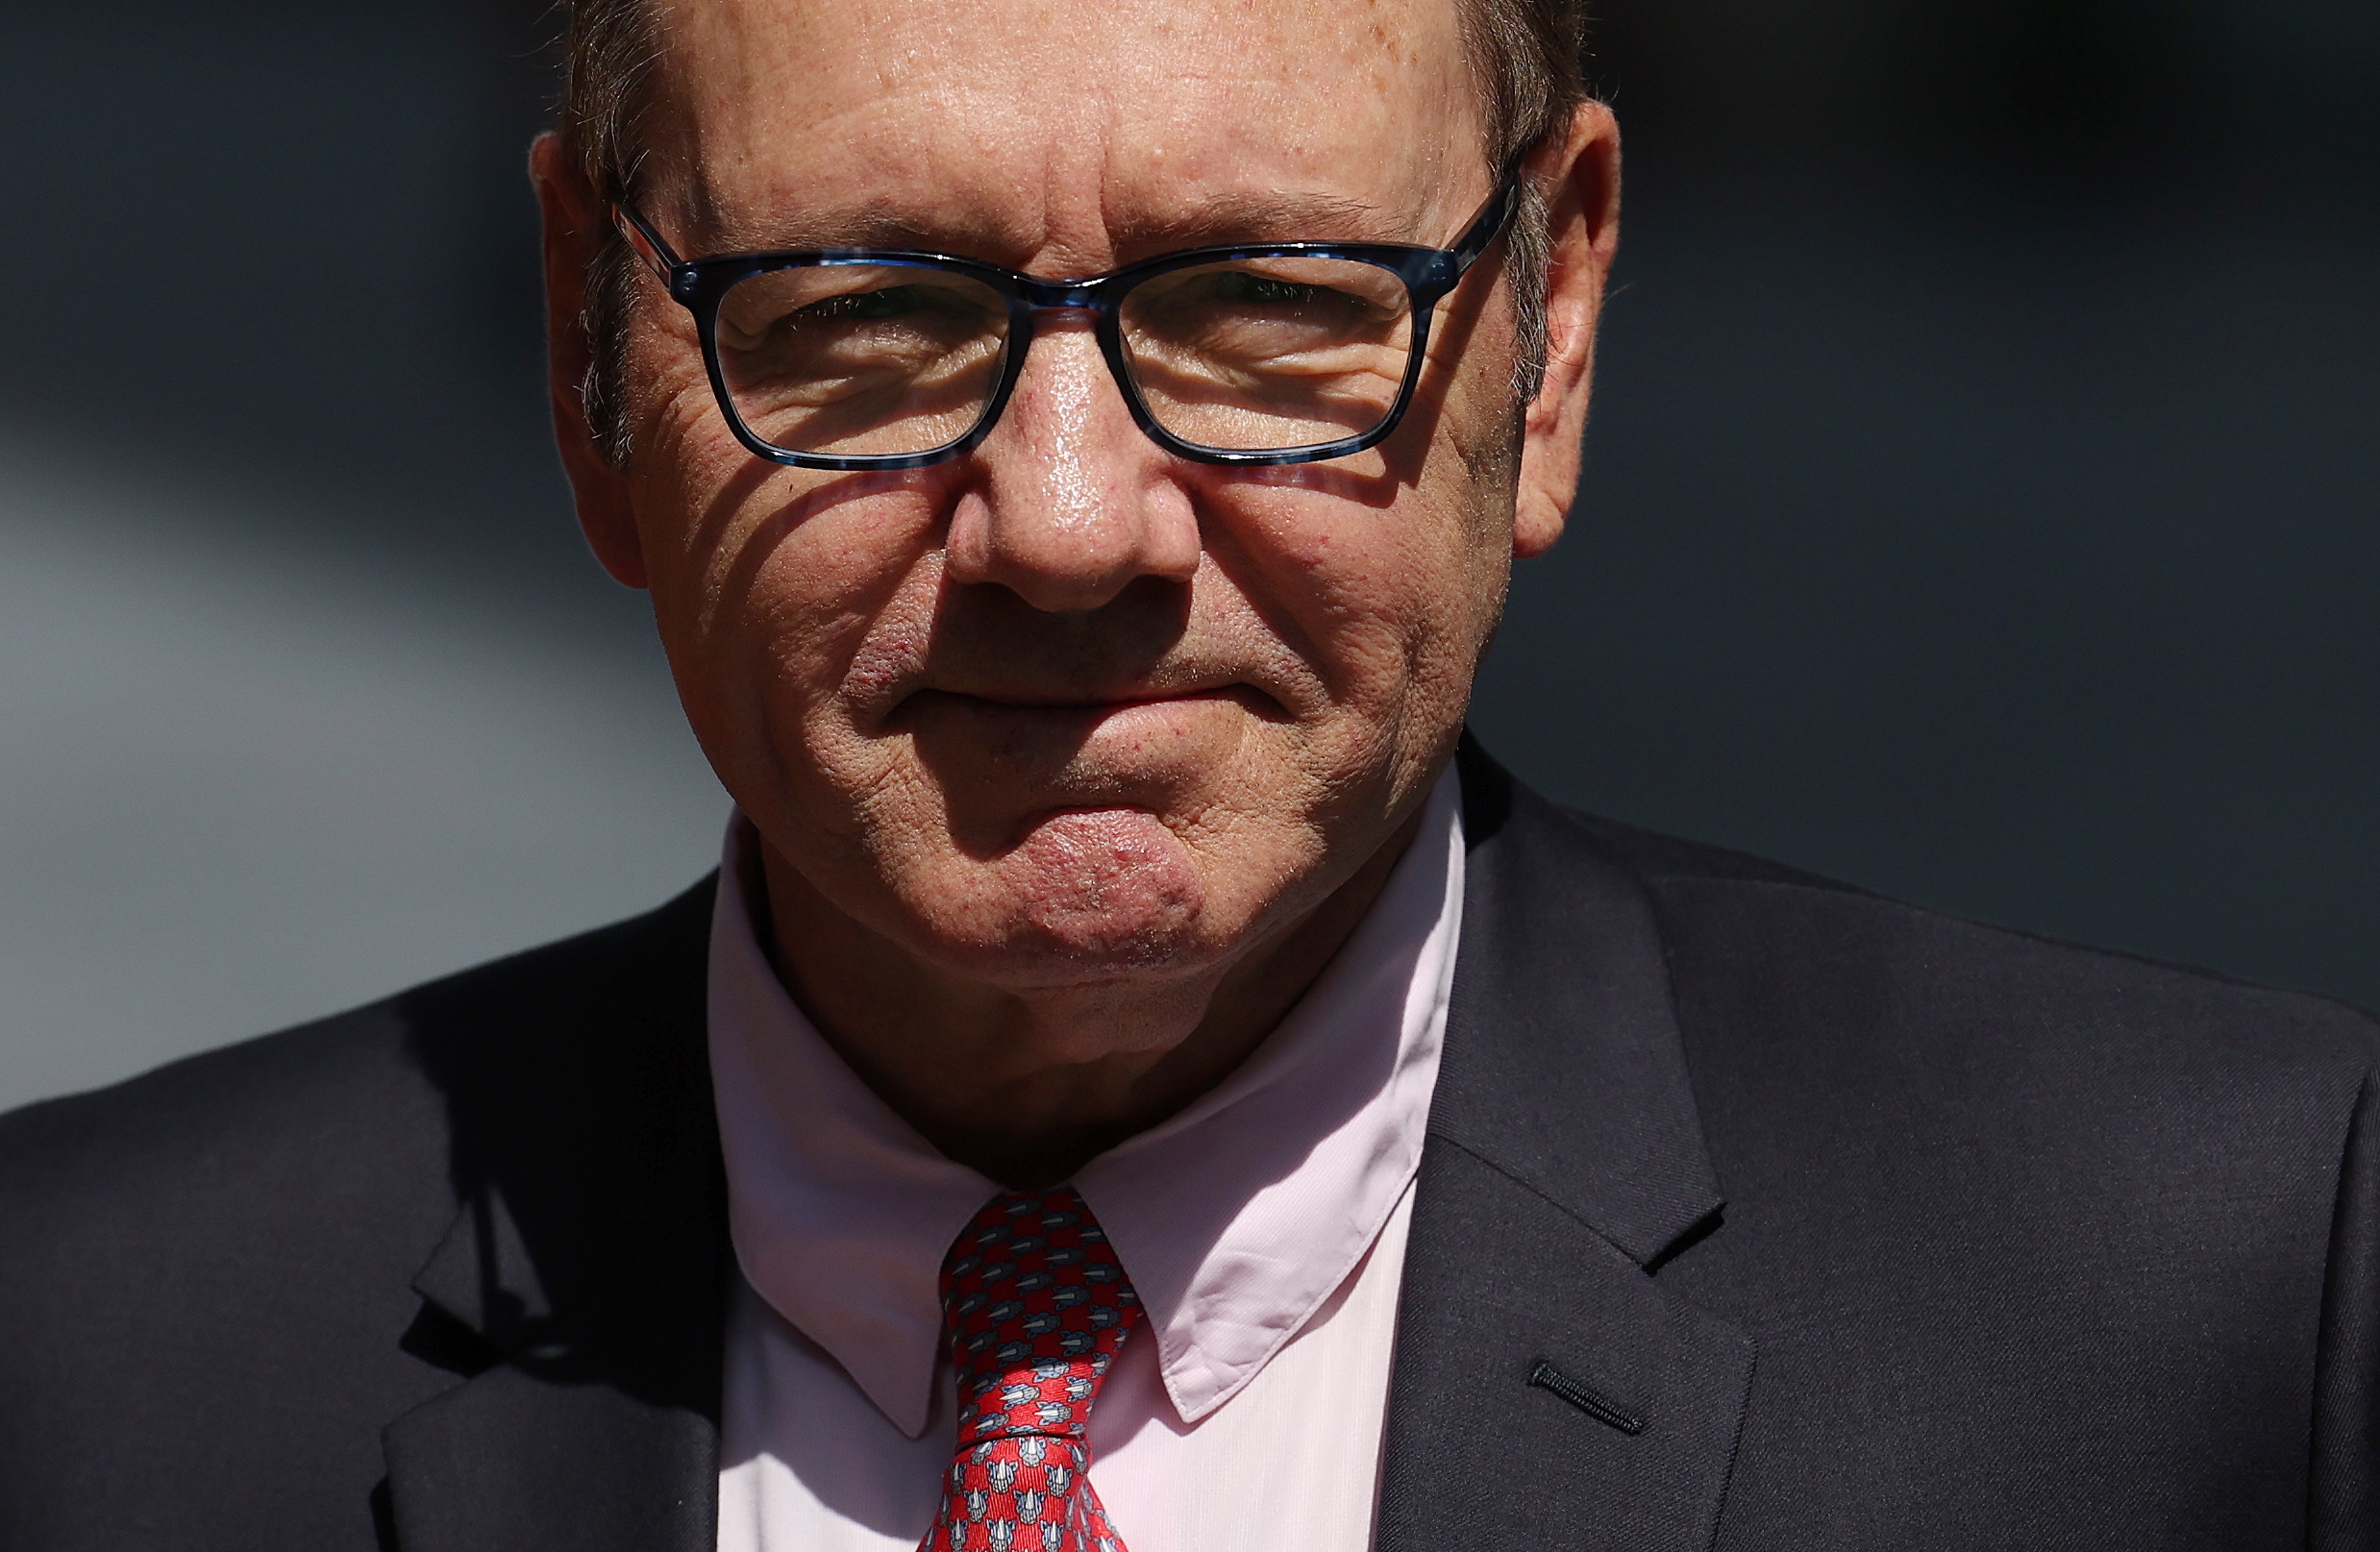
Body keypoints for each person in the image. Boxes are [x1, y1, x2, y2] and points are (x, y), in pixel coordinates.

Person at [1, 0, 2374, 1545]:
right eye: (865, 313)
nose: (1065, 520)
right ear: (583, 355)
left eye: (1262, 306)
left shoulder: (2214, 1308)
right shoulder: (81, 1371)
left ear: (1550, 335)